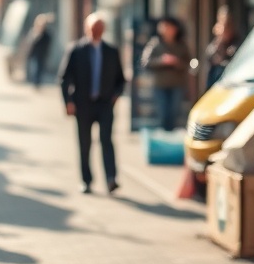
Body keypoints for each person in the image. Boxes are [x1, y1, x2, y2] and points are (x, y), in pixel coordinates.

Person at [58, 12, 126, 194]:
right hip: (83, 104)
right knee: (84, 143)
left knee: (106, 141)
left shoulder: (111, 51)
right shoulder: (76, 50)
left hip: (104, 104)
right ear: (87, 29)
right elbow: (64, 78)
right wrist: (68, 102)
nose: (96, 31)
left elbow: (121, 79)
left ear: (104, 30)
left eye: (99, 28)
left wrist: (115, 96)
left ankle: (111, 178)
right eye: (93, 28)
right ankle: (86, 180)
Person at [140, 16, 193, 131]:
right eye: (163, 26)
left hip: (177, 85)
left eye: (169, 27)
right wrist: (162, 61)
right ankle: (164, 138)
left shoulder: (181, 45)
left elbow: (189, 63)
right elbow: (145, 62)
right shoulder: (155, 43)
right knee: (163, 114)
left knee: (174, 114)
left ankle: (171, 139)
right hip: (160, 85)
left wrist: (177, 63)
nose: (166, 29)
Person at [205, 5, 241, 90]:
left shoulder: (235, 42)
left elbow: (233, 56)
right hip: (215, 78)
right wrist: (220, 39)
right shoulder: (217, 41)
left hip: (230, 79)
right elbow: (210, 55)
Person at [26, 13, 53, 88]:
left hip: (42, 54)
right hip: (34, 54)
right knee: (35, 68)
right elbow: (31, 42)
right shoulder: (34, 32)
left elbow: (48, 42)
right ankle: (35, 82)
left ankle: (37, 82)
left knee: (40, 68)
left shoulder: (46, 34)